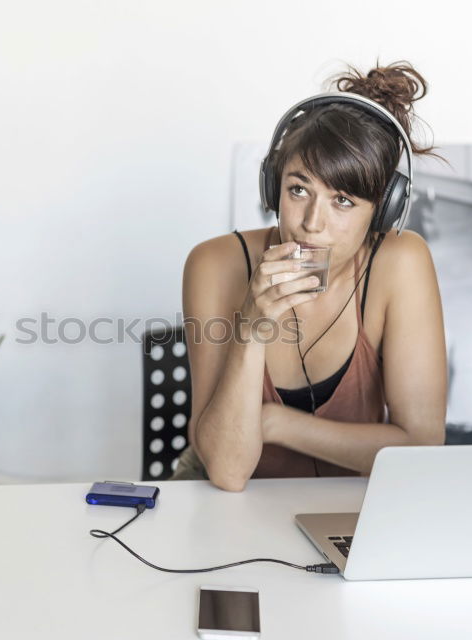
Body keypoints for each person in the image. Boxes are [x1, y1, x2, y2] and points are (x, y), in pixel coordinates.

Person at [170, 60, 448, 490]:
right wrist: (251, 328)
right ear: (272, 187)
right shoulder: (214, 265)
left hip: (346, 505)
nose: (311, 223)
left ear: (383, 211)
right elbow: (226, 470)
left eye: (343, 201)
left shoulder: (401, 262)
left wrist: (276, 423)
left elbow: (421, 446)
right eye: (298, 190)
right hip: (222, 502)